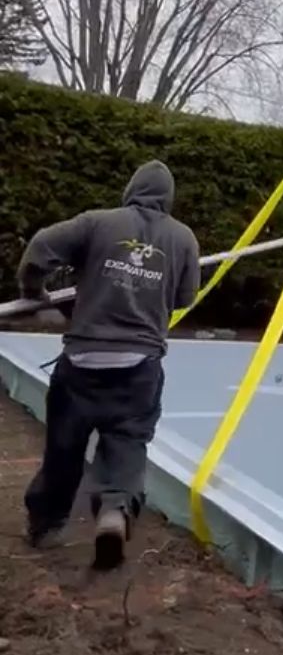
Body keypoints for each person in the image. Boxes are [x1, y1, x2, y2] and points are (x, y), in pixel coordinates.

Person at [18, 161, 200, 570]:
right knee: (127, 443)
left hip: (82, 362)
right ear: (168, 199)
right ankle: (114, 513)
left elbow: (40, 249)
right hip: (138, 367)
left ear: (130, 189)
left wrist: (35, 291)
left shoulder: (96, 223)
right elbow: (186, 298)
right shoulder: (183, 238)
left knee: (64, 448)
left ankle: (46, 525)